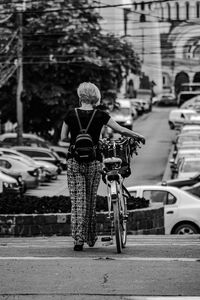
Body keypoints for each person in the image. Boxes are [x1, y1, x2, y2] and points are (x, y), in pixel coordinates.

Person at [60, 82, 145, 251]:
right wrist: (137, 135)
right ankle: (91, 238)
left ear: (80, 96)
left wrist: (76, 141)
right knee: (90, 201)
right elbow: (121, 130)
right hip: (94, 161)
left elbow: (63, 138)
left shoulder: (70, 114)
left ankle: (78, 240)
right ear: (95, 97)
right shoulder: (101, 115)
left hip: (74, 161)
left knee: (78, 203)